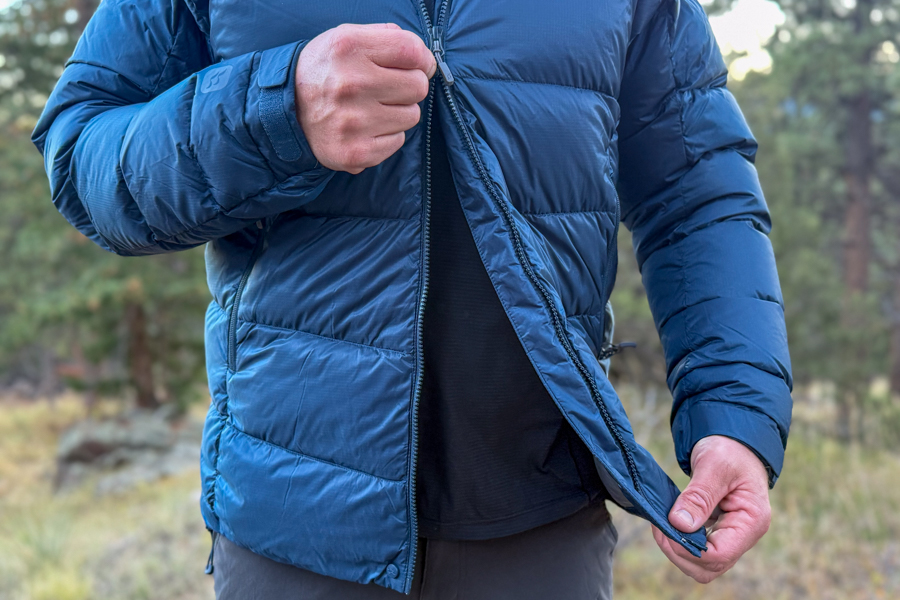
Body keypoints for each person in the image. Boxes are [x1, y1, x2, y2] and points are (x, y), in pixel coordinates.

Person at [33, 0, 793, 597]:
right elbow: (82, 152)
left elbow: (696, 192)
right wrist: (272, 113)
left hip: (544, 522)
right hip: (293, 532)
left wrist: (734, 416)